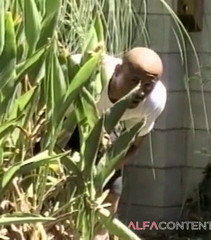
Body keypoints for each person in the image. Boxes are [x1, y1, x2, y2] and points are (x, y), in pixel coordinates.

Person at [70, 47, 167, 240]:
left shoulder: (154, 101)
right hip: (69, 119)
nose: (141, 90)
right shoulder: (85, 72)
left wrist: (106, 171)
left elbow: (134, 145)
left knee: (112, 190)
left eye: (148, 85)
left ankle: (100, 234)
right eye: (134, 81)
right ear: (116, 72)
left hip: (107, 126)